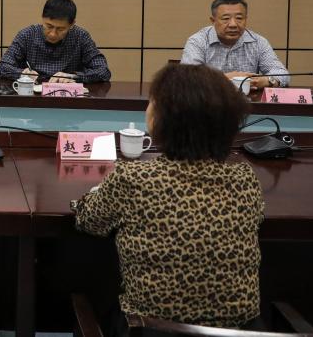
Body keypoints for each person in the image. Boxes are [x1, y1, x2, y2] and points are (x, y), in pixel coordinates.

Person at [72, 63, 262, 332]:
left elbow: (89, 220)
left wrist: (90, 197)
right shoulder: (245, 180)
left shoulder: (133, 179)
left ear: (162, 118)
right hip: (239, 331)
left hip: (149, 330)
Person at [181, 0, 289, 90]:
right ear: (213, 21)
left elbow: (282, 74)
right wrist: (223, 79)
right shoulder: (198, 41)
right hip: (209, 102)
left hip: (247, 102)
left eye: (239, 18)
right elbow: (188, 78)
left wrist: (267, 81)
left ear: (246, 19)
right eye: (226, 18)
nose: (233, 24)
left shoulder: (258, 42)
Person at [0, 0, 111, 83]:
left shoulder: (81, 36)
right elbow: (2, 67)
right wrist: (21, 73)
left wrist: (72, 76)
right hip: (33, 95)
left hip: (68, 96)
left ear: (72, 24)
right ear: (42, 18)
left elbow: (103, 71)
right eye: (49, 26)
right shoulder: (28, 34)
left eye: (61, 29)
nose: (53, 34)